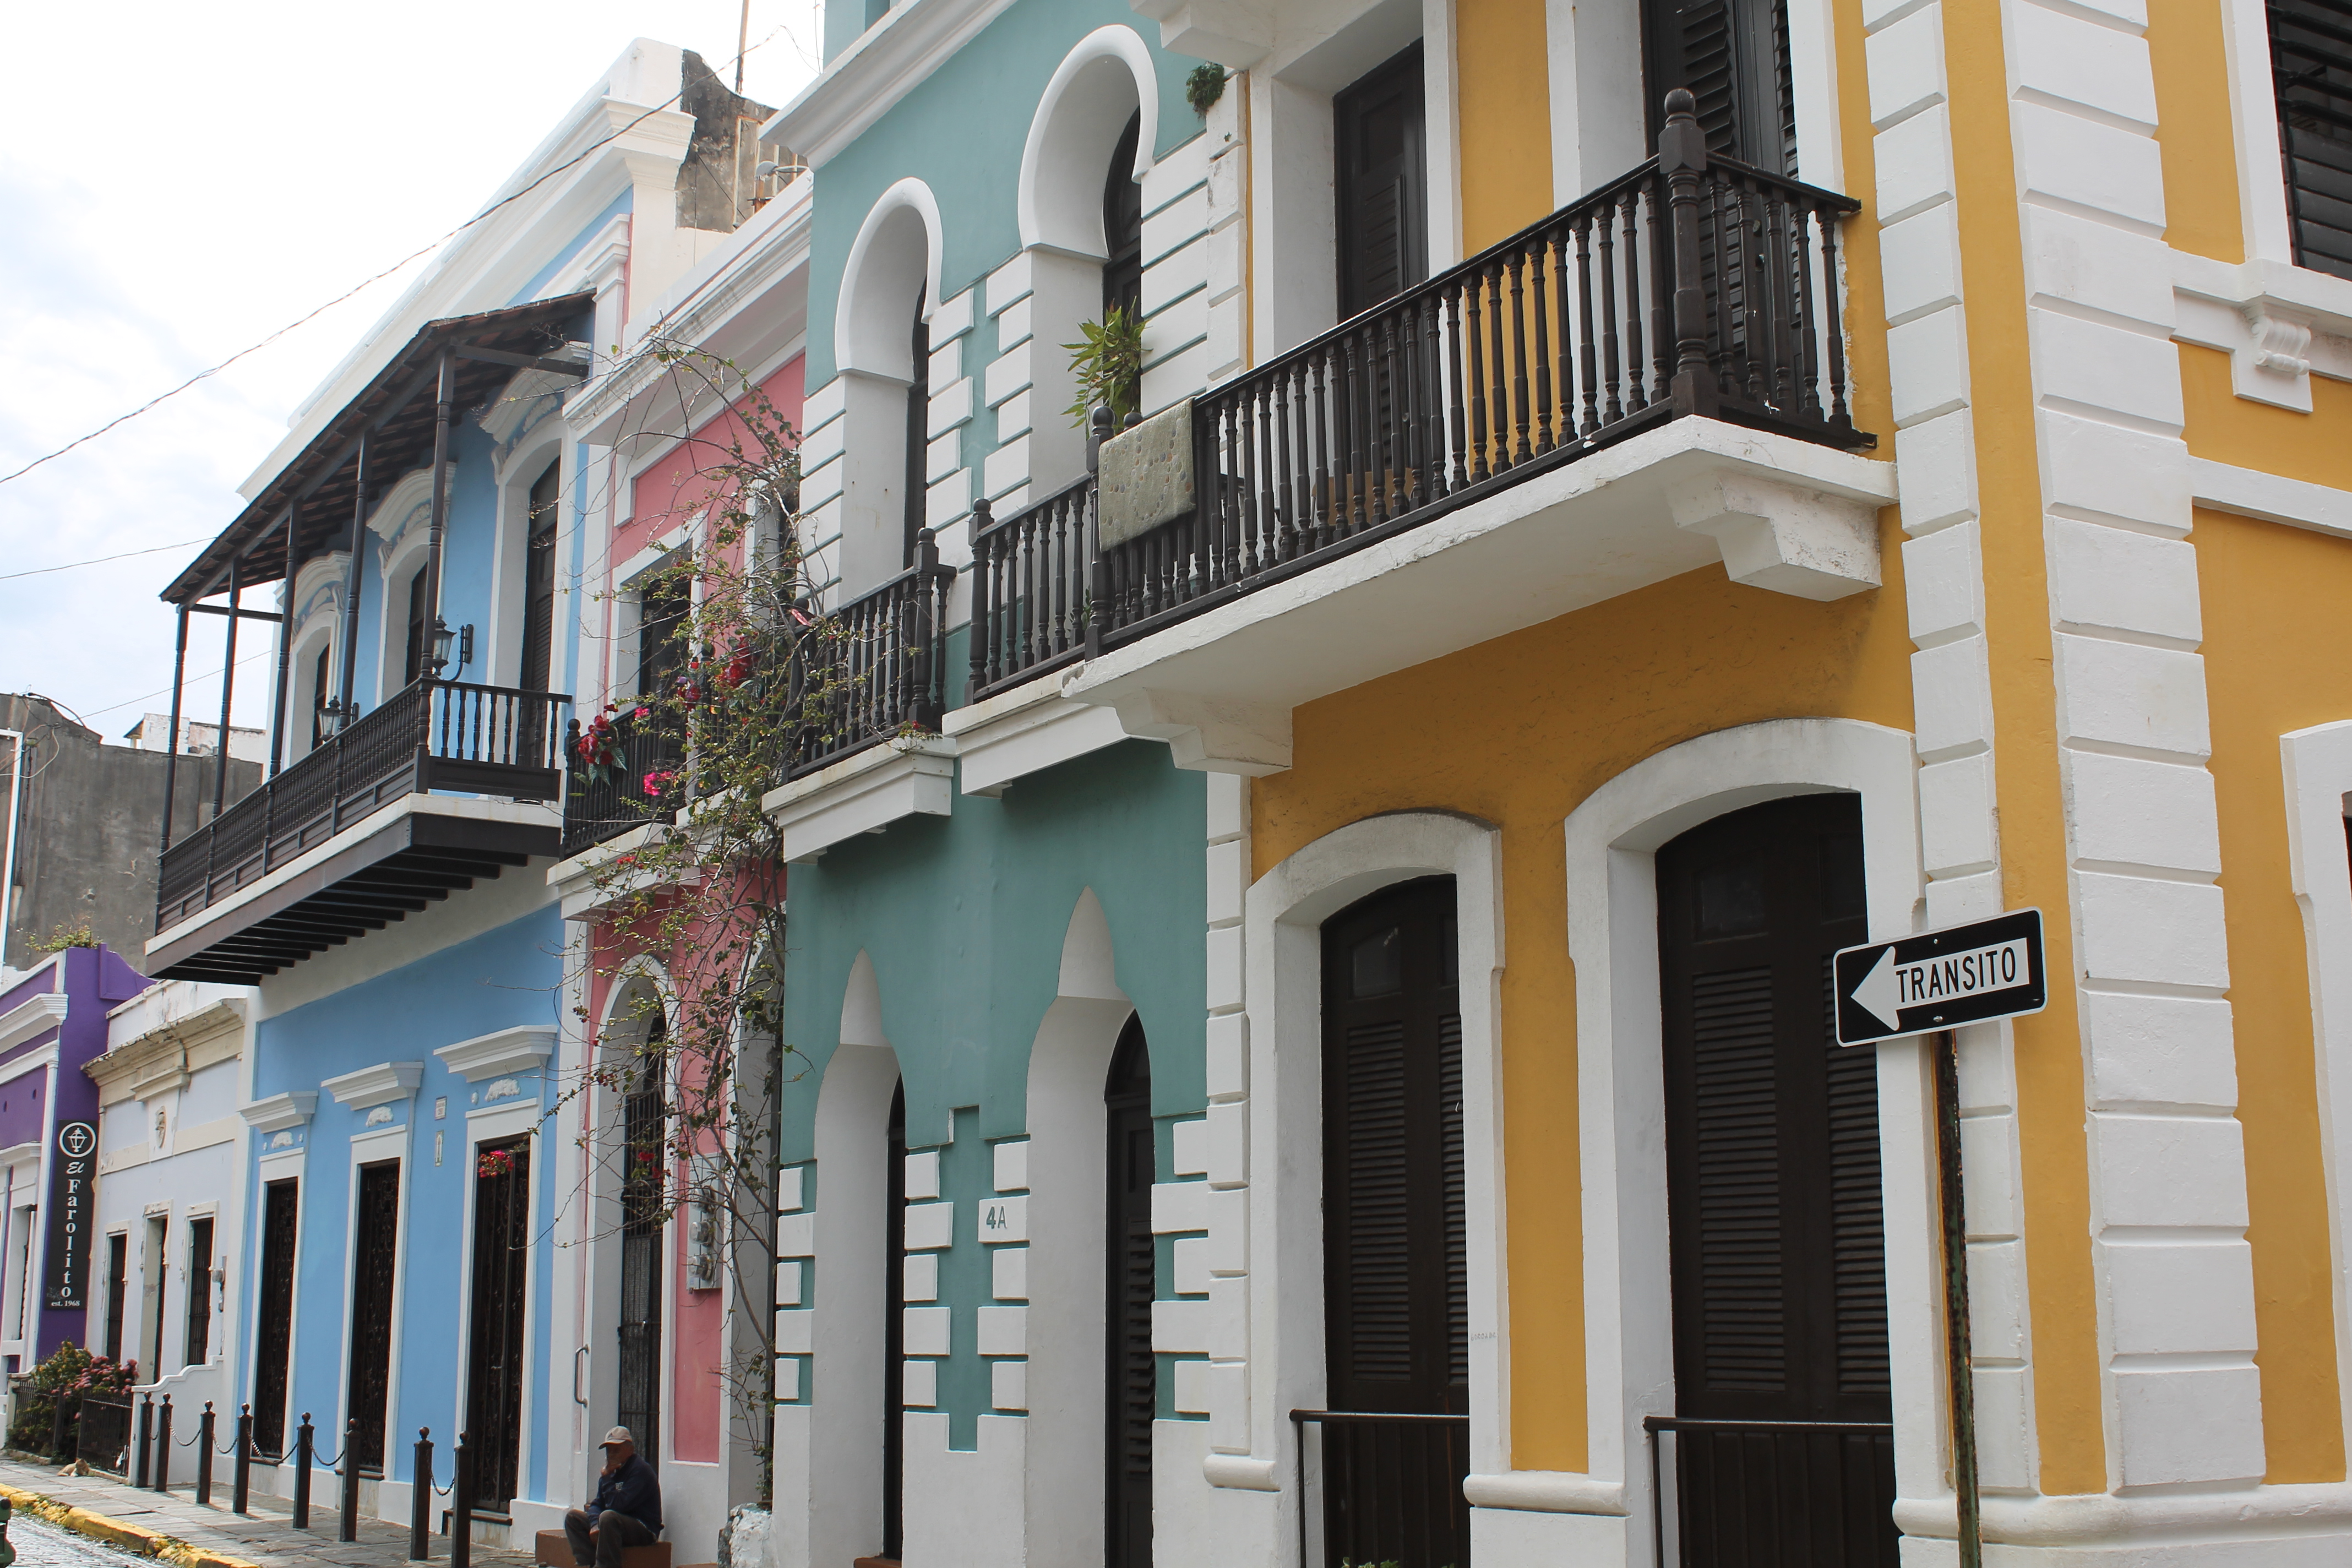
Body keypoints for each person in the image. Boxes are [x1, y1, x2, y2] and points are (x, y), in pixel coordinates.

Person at [565, 1427, 662, 1568]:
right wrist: (594, 1524)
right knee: (573, 1517)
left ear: (630, 1450)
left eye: (616, 1450)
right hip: (615, 1524)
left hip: (644, 1527)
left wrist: (606, 1479)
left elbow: (618, 1506)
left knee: (608, 1517)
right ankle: (586, 1564)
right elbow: (597, 1504)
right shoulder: (611, 1472)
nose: (611, 1455)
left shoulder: (640, 1470)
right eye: (609, 1450)